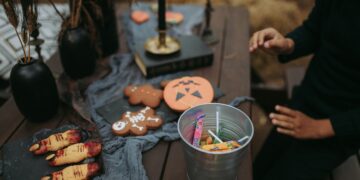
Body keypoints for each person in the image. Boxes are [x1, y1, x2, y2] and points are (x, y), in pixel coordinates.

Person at [249, 0, 360, 180]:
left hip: (342, 128)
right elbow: (314, 29)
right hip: (306, 99)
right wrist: (288, 44)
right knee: (256, 170)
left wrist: (320, 128)